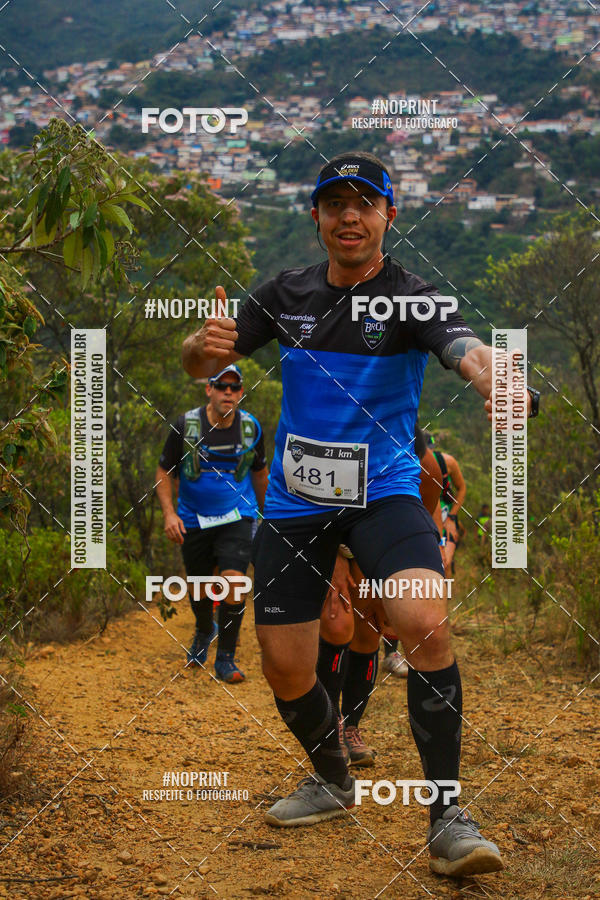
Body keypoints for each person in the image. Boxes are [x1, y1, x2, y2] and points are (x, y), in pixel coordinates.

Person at [182, 151, 534, 876]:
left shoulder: (413, 298)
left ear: (388, 217)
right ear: (315, 216)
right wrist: (199, 346)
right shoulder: (285, 293)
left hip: (385, 493)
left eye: (364, 204)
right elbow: (203, 359)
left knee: (423, 619)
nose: (350, 217)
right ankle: (332, 777)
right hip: (294, 503)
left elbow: (462, 346)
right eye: (335, 204)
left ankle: (449, 819)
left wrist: (495, 377)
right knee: (285, 668)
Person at [318, 425, 446, 770]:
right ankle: (326, 732)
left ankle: (350, 726)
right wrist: (333, 562)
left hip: (376, 536)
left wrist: (383, 583)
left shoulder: (422, 460)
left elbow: (421, 514)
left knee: (367, 631)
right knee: (335, 621)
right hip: (323, 526)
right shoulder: (329, 422)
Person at [155, 364, 269, 683]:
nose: (227, 393)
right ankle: (205, 630)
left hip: (238, 516)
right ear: (209, 390)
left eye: (234, 388)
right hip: (193, 518)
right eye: (221, 387)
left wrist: (269, 519)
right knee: (200, 586)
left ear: (241, 393)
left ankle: (226, 659)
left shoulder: (250, 429)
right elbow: (164, 472)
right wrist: (169, 514)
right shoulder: (186, 426)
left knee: (233, 580)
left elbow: (260, 474)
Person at [432, 448, 466, 578]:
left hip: (446, 519)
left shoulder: (447, 462)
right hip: (426, 519)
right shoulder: (410, 461)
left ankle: (446, 595)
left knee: (444, 564)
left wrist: (452, 517)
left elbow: (462, 488)